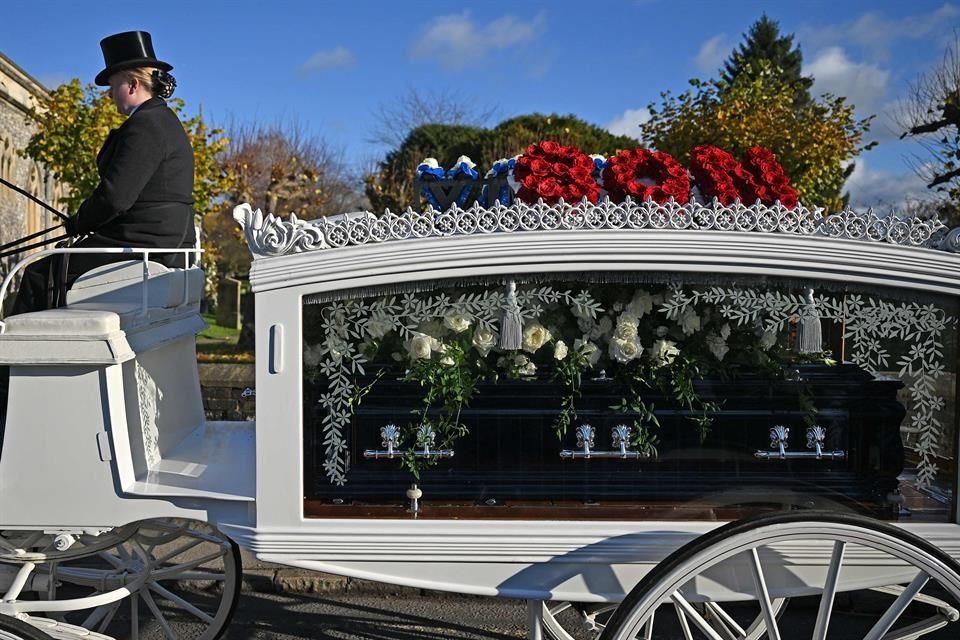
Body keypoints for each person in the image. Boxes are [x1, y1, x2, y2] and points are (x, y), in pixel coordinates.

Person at [13, 30, 197, 314]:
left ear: (133, 84)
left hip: (145, 243)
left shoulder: (145, 126)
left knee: (39, 274)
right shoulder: (163, 120)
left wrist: (81, 221)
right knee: (54, 263)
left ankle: (18, 358)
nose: (110, 94)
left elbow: (115, 198)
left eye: (113, 85)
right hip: (164, 239)